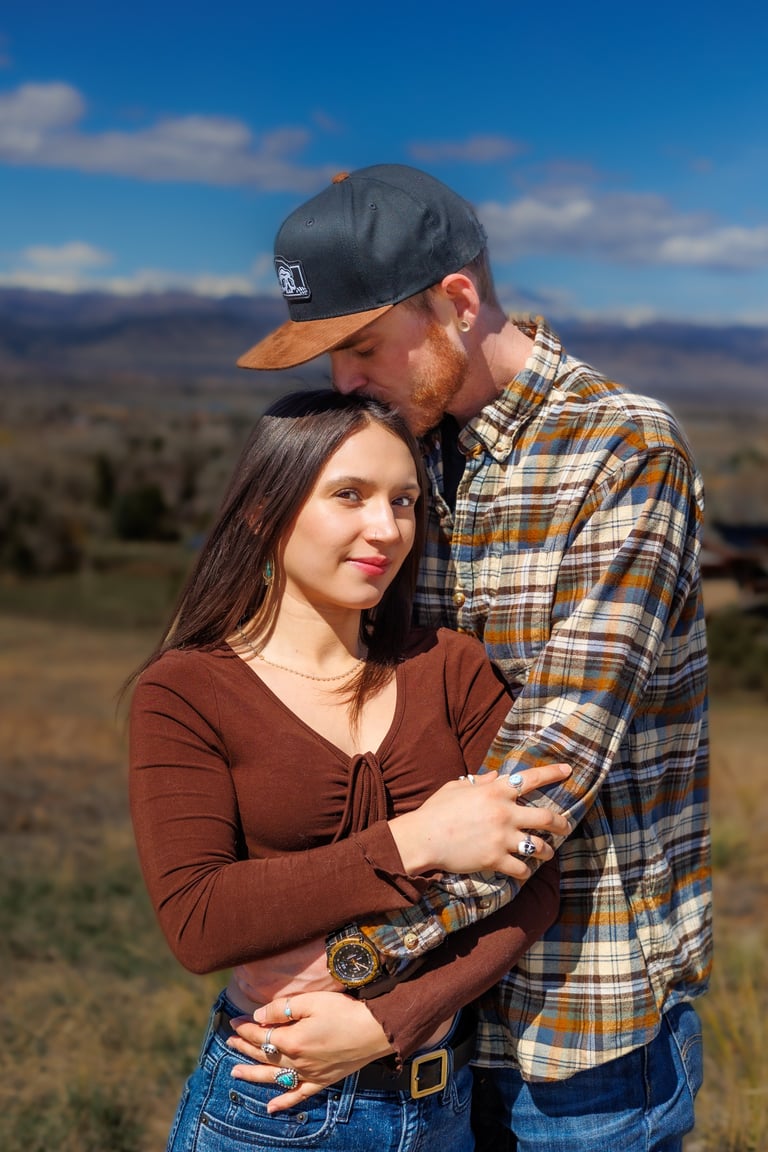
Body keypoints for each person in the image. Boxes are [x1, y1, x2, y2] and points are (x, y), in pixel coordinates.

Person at [232, 164, 713, 1151]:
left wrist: (358, 955)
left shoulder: (623, 452)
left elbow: (553, 763)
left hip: (577, 1026)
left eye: (363, 346)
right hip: (410, 1037)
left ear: (457, 302)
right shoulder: (397, 456)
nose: (344, 382)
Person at [128, 389, 572, 1152]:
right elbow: (199, 921)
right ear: (264, 510)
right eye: (349, 495)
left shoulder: (451, 669)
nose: (387, 529)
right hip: (270, 1111)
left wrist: (387, 1022)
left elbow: (536, 884)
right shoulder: (186, 690)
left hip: (445, 1109)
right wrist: (417, 841)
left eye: (404, 502)